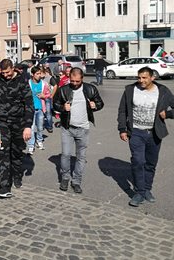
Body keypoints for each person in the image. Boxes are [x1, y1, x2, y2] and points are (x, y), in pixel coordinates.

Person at [117, 66, 174, 207]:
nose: (141, 80)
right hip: (136, 132)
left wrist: (168, 114)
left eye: (144, 78)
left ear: (152, 78)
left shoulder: (163, 91)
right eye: (139, 77)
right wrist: (122, 129)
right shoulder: (130, 90)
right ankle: (139, 192)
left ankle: (147, 189)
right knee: (138, 161)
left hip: (154, 133)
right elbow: (122, 110)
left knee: (150, 163)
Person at [0, 59, 33, 198]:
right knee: (3, 153)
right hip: (2, 123)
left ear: (13, 69)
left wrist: (27, 126)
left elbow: (29, 105)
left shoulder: (22, 82)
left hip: (18, 122)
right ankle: (4, 187)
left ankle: (17, 175)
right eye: (3, 72)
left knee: (16, 153)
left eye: (7, 72)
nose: (5, 75)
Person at [53, 67, 104, 194]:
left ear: (82, 79)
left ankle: (76, 181)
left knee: (81, 157)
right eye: (72, 81)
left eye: (77, 81)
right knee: (66, 155)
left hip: (83, 129)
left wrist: (95, 105)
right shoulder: (63, 89)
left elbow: (100, 103)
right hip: (67, 128)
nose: (74, 84)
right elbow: (55, 104)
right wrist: (63, 108)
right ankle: (65, 178)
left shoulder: (90, 89)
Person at [26, 66, 50, 154]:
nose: (39, 75)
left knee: (40, 127)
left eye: (40, 73)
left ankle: (39, 140)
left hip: (40, 109)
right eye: (37, 74)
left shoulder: (44, 84)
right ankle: (31, 145)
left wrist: (44, 96)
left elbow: (49, 94)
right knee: (31, 128)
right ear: (32, 74)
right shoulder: (28, 83)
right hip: (30, 109)